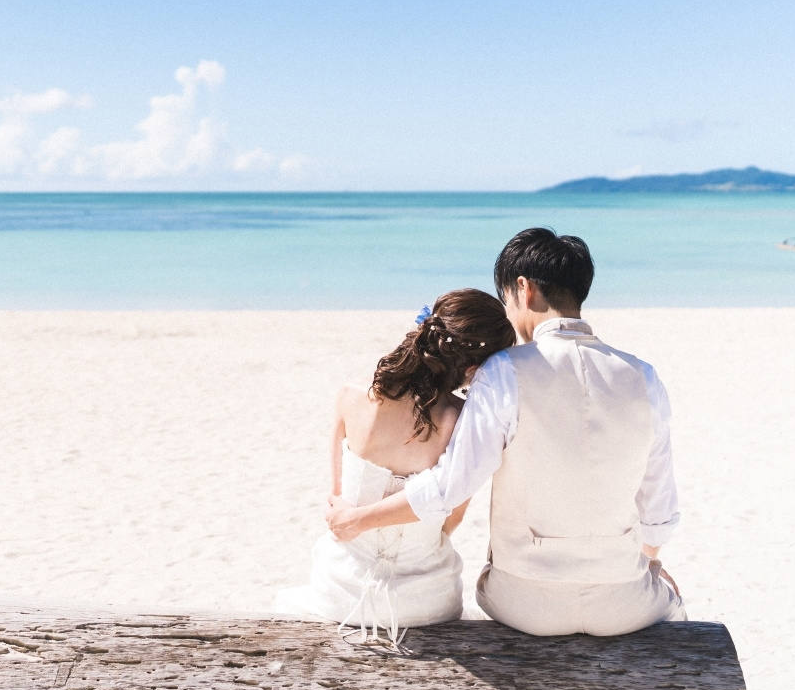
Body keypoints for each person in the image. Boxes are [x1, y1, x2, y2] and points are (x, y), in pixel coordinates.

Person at [326, 228, 685, 636]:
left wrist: (356, 520)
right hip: (623, 603)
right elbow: (658, 508)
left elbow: (449, 486)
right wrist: (650, 564)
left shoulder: (503, 372)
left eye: (505, 302)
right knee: (674, 605)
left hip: (523, 604)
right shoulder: (644, 377)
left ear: (523, 290)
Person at [275, 288, 516, 638]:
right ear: (472, 368)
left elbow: (337, 497)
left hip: (340, 592)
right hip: (426, 602)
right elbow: (451, 518)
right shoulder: (460, 422)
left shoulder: (349, 397)